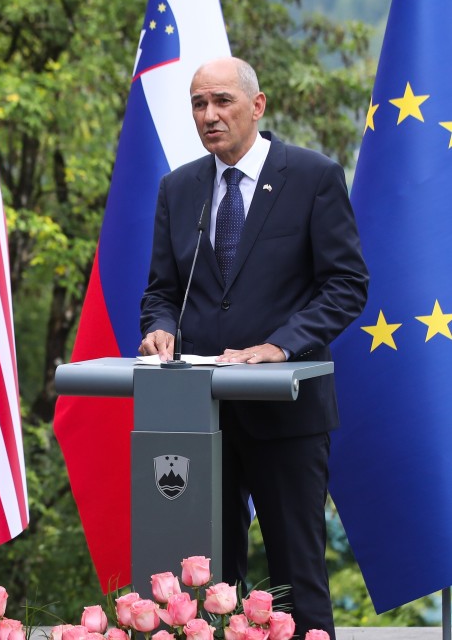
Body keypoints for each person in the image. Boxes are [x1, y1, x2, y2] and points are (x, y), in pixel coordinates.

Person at [139, 57, 368, 636]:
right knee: (206, 583)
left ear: (257, 105)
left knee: (297, 578)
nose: (209, 116)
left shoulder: (313, 176)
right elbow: (161, 292)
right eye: (198, 105)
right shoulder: (179, 187)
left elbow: (347, 285)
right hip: (196, 417)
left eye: (221, 101)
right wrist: (161, 325)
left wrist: (281, 347)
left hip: (285, 414)